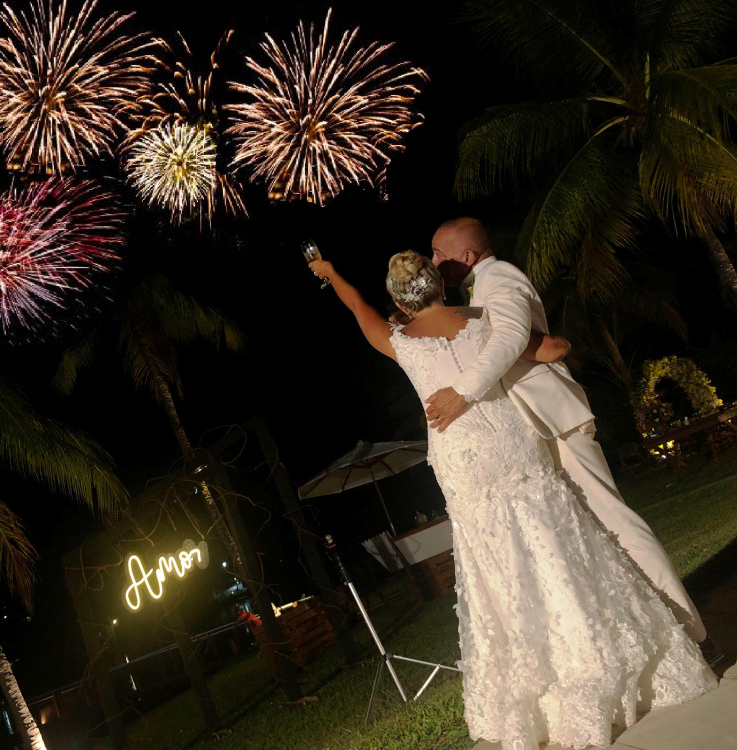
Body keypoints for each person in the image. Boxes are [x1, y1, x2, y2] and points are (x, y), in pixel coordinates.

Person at [307, 252, 716, 750]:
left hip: (462, 457)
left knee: (500, 560)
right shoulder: (482, 320)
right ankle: (602, 650)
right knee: (557, 541)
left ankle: (541, 675)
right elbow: (547, 348)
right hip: (512, 440)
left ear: (400, 302)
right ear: (440, 285)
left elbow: (358, 308)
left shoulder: (401, 343)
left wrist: (330, 274)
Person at [424, 217, 713, 653]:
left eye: (439, 253)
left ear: (467, 256)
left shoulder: (499, 276)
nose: (433, 262)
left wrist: (463, 392)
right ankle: (656, 635)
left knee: (615, 522)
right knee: (590, 534)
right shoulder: (477, 290)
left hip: (554, 418)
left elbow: (510, 336)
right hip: (533, 428)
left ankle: (692, 632)